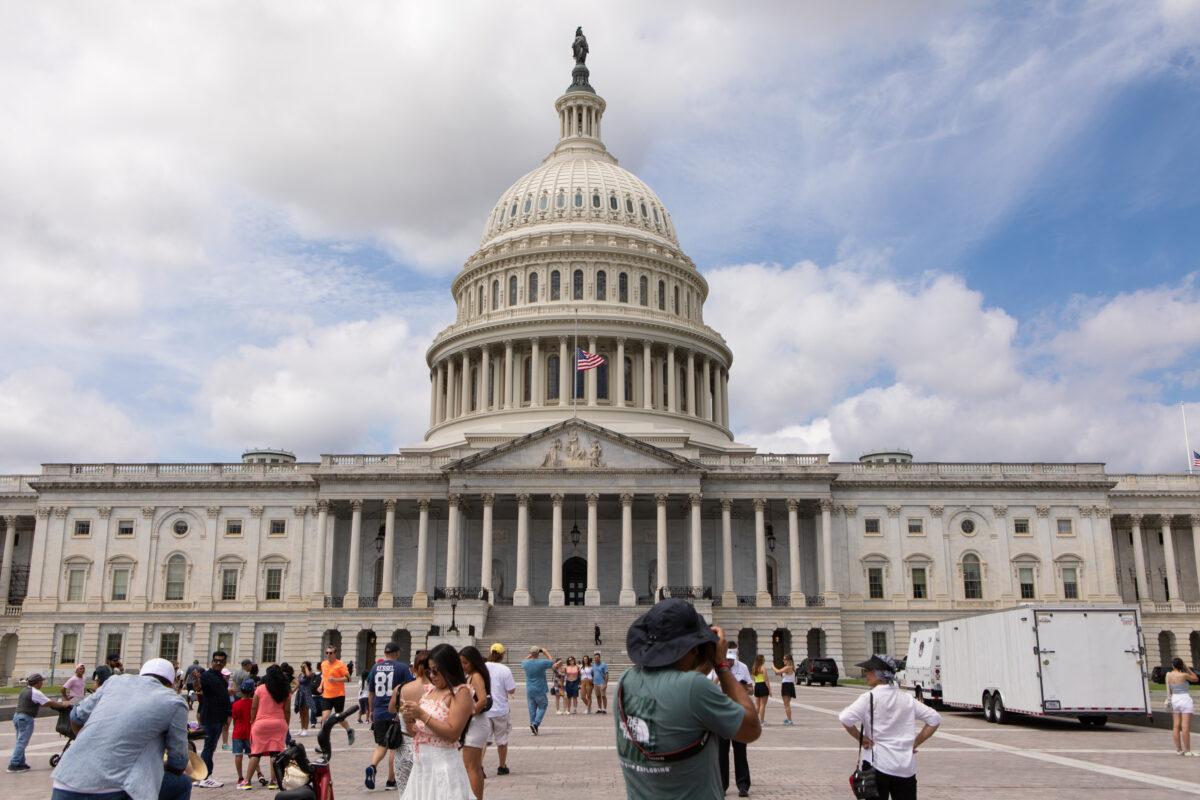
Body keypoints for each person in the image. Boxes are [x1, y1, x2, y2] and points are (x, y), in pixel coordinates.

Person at [615, 599, 761, 800]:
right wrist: (721, 666)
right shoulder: (694, 688)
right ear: (691, 648)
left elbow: (677, 695)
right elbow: (751, 729)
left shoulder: (625, 682)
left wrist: (700, 665)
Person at [51, 658, 191, 800]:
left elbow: (76, 716)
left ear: (141, 674)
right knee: (182, 784)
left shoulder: (114, 682)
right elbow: (178, 762)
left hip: (65, 780)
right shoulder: (174, 701)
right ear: (170, 682)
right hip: (117, 788)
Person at [839, 654, 941, 800]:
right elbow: (934, 719)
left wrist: (861, 738)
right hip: (905, 766)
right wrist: (916, 742)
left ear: (880, 674)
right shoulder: (906, 698)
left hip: (877, 764)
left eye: (869, 670)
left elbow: (845, 718)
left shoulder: (869, 698)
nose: (866, 673)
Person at [398, 643, 474, 799]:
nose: (431, 676)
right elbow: (415, 732)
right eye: (429, 671)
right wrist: (408, 718)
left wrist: (421, 714)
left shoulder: (461, 692)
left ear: (449, 667)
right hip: (422, 765)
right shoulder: (430, 690)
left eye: (435, 671)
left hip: (443, 765)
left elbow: (453, 733)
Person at [365, 641, 415, 791]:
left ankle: (372, 766)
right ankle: (390, 781)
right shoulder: (402, 667)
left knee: (381, 744)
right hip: (395, 711)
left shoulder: (375, 667)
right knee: (395, 746)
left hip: (379, 711)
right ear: (396, 653)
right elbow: (410, 687)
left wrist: (371, 710)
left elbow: (371, 692)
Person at [710, 644, 754, 797]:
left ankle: (743, 785)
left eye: (731, 660)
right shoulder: (714, 667)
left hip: (739, 715)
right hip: (722, 715)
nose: (729, 662)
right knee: (722, 752)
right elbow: (708, 688)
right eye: (727, 659)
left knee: (740, 751)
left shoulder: (743, 667)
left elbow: (751, 688)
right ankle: (722, 785)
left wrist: (741, 688)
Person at [8, 673, 72, 772]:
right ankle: (14, 764)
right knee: (22, 742)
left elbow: (42, 702)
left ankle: (21, 763)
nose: (42, 683)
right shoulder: (35, 692)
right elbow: (48, 702)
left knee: (20, 741)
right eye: (41, 681)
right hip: (26, 718)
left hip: (17, 716)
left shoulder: (25, 690)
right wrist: (63, 705)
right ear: (37, 683)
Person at [390, 649, 430, 795]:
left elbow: (391, 709)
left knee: (405, 792)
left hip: (405, 746)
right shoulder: (436, 690)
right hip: (428, 746)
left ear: (414, 668)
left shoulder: (401, 688)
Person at [245, 665, 291, 791]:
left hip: (261, 724)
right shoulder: (285, 690)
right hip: (278, 723)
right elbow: (287, 710)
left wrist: (252, 720)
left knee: (256, 753)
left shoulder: (260, 689)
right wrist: (286, 723)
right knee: (275, 754)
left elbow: (254, 707)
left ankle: (247, 781)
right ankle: (273, 781)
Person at [192, 650, 231, 788]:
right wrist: (196, 679)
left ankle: (202, 776)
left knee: (210, 747)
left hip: (218, 718)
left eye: (221, 661)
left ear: (225, 663)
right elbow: (198, 688)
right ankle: (206, 776)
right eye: (216, 661)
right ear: (212, 662)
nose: (218, 663)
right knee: (209, 747)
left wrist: (227, 715)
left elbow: (224, 697)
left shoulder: (220, 677)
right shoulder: (207, 676)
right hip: (210, 717)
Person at [459, 646, 493, 800]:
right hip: (476, 724)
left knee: (471, 767)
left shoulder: (476, 676)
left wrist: (469, 713)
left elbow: (483, 699)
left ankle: (476, 797)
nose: (463, 666)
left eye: (465, 663)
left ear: (473, 662)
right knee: (473, 766)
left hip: (476, 724)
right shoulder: (472, 675)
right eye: (461, 663)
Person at [483, 644, 516, 776]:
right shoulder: (505, 669)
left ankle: (479, 766)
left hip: (485, 709)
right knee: (502, 740)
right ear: (502, 655)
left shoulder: (482, 667)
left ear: (489, 652)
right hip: (500, 709)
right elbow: (511, 689)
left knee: (483, 740)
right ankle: (502, 766)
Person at [230, 679, 263, 789]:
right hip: (250, 732)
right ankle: (259, 773)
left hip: (238, 732)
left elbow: (234, 720)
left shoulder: (235, 704)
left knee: (238, 755)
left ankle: (240, 777)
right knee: (253, 755)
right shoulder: (255, 703)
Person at [320, 646, 355, 745]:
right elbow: (324, 677)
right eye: (327, 653)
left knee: (339, 718)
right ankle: (324, 743)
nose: (328, 655)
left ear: (335, 653)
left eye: (330, 653)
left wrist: (335, 679)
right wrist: (320, 685)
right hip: (326, 695)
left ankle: (349, 730)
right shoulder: (323, 664)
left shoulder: (340, 664)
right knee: (325, 719)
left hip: (339, 695)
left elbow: (348, 679)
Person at [1166, 657, 1198, 756]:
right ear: (1181, 665)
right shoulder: (1184, 675)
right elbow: (1196, 678)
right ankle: (1187, 750)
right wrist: (1187, 668)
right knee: (1185, 726)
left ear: (1173, 665)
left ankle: (1179, 750)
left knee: (1176, 726)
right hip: (1185, 699)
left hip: (1174, 699)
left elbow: (1169, 689)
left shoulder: (1168, 675)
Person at [521, 646, 554, 735]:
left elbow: (523, 661)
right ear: (538, 653)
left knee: (532, 708)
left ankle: (533, 726)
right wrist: (545, 651)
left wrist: (530, 655)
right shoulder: (541, 662)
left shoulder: (526, 663)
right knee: (543, 706)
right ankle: (535, 724)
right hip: (540, 689)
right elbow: (552, 662)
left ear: (530, 653)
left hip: (530, 689)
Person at [771, 656, 796, 725]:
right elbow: (779, 673)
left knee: (786, 705)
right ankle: (788, 719)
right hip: (789, 685)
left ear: (788, 660)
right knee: (787, 704)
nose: (783, 660)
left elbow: (778, 671)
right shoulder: (790, 668)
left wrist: (772, 666)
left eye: (784, 659)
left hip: (787, 686)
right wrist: (778, 672)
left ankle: (790, 720)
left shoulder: (788, 667)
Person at [296, 661, 318, 737]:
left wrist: (306, 668)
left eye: (304, 666)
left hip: (306, 694)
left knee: (306, 712)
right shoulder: (300, 674)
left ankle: (305, 729)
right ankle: (302, 728)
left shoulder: (310, 673)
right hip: (300, 694)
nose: (302, 668)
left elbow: (308, 675)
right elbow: (298, 683)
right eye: (302, 666)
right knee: (301, 712)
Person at [751, 655, 770, 724]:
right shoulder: (763, 668)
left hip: (757, 685)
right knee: (763, 705)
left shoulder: (754, 668)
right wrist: (769, 690)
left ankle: (754, 721)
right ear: (762, 660)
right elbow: (766, 680)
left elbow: (753, 678)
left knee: (757, 705)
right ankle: (762, 721)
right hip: (763, 686)